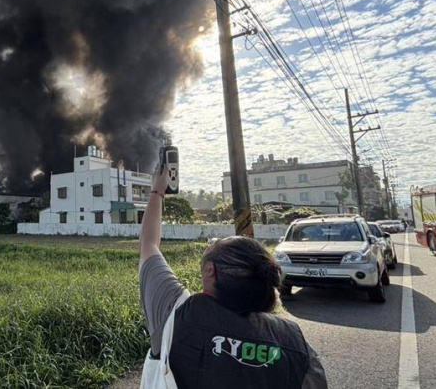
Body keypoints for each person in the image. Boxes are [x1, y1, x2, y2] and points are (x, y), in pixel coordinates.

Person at [139, 166, 327, 388]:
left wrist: (157, 192)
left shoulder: (174, 314)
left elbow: (148, 244)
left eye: (215, 243)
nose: (211, 242)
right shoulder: (296, 343)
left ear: (210, 270)